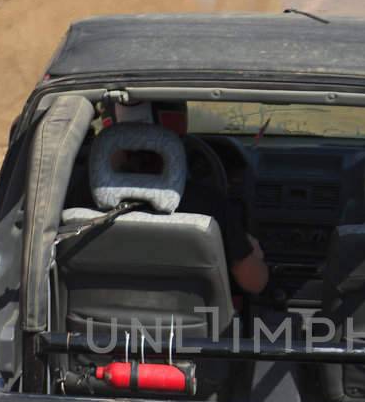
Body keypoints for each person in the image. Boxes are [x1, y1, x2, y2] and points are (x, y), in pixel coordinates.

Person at [112, 99, 269, 297]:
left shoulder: (78, 197)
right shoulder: (206, 204)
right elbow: (255, 283)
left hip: (97, 326)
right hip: (187, 326)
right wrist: (252, 252)